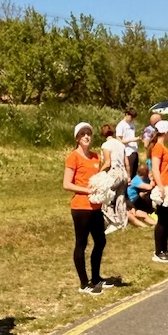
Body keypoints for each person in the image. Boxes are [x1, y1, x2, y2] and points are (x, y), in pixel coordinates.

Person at [63, 122, 106, 295]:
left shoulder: (96, 157)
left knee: (100, 241)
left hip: (96, 206)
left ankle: (96, 277)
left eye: (89, 133)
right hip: (81, 207)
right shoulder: (73, 157)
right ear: (77, 138)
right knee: (81, 243)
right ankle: (84, 283)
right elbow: (67, 184)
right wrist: (87, 190)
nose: (86, 136)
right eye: (82, 134)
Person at [149, 118, 168, 263]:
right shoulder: (158, 148)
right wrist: (160, 187)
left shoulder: (162, 147)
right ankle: (158, 251)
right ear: (165, 133)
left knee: (167, 220)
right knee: (162, 220)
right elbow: (155, 168)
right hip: (163, 187)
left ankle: (164, 249)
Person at [119, 108, 140, 177]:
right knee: (129, 174)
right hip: (127, 152)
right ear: (126, 114)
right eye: (131, 117)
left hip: (134, 150)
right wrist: (132, 140)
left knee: (134, 173)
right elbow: (119, 140)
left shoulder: (132, 125)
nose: (132, 119)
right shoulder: (121, 125)